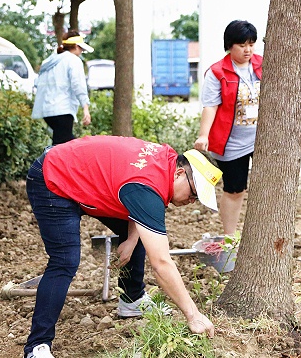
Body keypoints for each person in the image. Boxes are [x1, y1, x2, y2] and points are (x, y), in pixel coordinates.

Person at [23, 136, 219, 358]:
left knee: (142, 233)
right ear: (180, 173)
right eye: (194, 194)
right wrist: (193, 315)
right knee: (64, 261)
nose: (191, 201)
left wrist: (131, 239)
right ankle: (37, 346)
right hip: (53, 178)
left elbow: (137, 200)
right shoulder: (147, 186)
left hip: (83, 176)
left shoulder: (167, 161)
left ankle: (131, 299)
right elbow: (162, 263)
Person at [194, 20, 262, 235]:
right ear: (230, 45)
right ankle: (230, 235)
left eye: (251, 44)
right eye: (242, 45)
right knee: (235, 190)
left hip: (261, 139)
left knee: (266, 188)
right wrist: (204, 135)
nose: (248, 50)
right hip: (232, 142)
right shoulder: (217, 72)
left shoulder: (263, 64)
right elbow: (210, 106)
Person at [32, 30, 94, 145]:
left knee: (62, 145)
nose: (81, 52)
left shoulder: (50, 61)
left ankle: (49, 162)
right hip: (63, 111)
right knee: (67, 147)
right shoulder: (73, 60)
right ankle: (44, 163)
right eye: (81, 49)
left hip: (47, 112)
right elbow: (78, 85)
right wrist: (85, 108)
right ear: (75, 46)